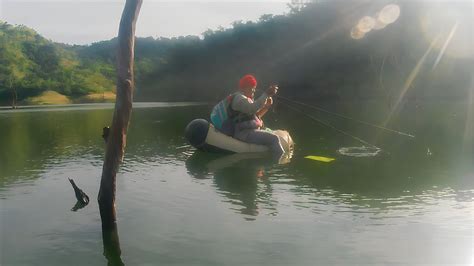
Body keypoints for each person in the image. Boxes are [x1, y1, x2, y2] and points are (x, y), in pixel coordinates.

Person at [229, 74, 285, 157]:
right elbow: (252, 108)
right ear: (245, 87)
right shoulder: (239, 98)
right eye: (253, 88)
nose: (254, 91)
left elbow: (255, 116)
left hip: (248, 131)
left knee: (272, 134)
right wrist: (266, 94)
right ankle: (281, 163)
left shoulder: (244, 99)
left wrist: (266, 106)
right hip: (243, 133)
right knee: (274, 139)